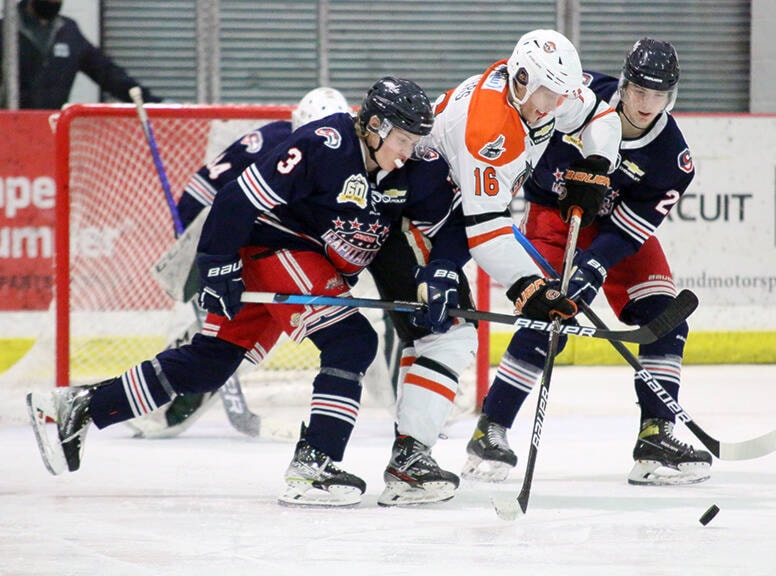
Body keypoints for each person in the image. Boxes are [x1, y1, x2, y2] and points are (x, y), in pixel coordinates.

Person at [27, 76, 456, 508]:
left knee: (209, 364)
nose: (408, 151)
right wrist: (218, 264)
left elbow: (453, 224)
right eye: (402, 139)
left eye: (415, 141)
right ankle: (315, 466)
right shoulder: (323, 144)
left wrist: (443, 271)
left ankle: (82, 406)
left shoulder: (416, 165)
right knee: (353, 340)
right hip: (278, 247)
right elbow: (235, 198)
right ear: (376, 124)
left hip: (309, 265)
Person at [371, 28, 620, 502]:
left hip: (446, 214)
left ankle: (409, 450)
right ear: (522, 78)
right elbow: (485, 231)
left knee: (433, 335)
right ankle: (408, 460)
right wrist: (531, 288)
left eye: (558, 95)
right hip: (411, 216)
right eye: (544, 93)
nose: (550, 106)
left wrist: (597, 165)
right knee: (452, 334)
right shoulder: (489, 128)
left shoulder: (544, 91)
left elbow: (602, 114)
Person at [461, 38, 713, 486]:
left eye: (658, 95)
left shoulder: (673, 159)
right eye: (638, 91)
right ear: (624, 82)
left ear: (670, 97)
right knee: (547, 317)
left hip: (616, 233)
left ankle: (656, 436)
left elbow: (630, 231)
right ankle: (491, 429)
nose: (645, 104)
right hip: (557, 219)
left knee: (666, 319)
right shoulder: (578, 95)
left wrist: (594, 266)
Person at [128, 86, 352, 439]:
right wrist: (196, 240)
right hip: (222, 242)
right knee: (221, 342)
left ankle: (154, 404)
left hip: (259, 249)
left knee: (222, 342)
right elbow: (207, 182)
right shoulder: (272, 139)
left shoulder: (343, 155)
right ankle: (157, 409)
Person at [0, 0, 161, 108]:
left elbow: (107, 73)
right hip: (8, 125)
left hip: (52, 127)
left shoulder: (68, 32)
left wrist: (151, 102)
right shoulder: (0, 32)